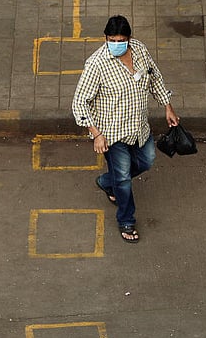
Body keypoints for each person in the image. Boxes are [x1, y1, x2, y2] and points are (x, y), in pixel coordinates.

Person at [72, 15, 179, 243]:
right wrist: (96, 134)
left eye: (121, 39)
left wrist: (167, 106)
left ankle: (106, 182)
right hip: (112, 133)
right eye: (112, 39)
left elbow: (154, 77)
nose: (117, 43)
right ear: (106, 38)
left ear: (129, 38)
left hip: (139, 127)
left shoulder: (139, 50)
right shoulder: (97, 64)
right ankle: (126, 220)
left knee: (147, 161)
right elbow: (80, 102)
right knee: (123, 179)